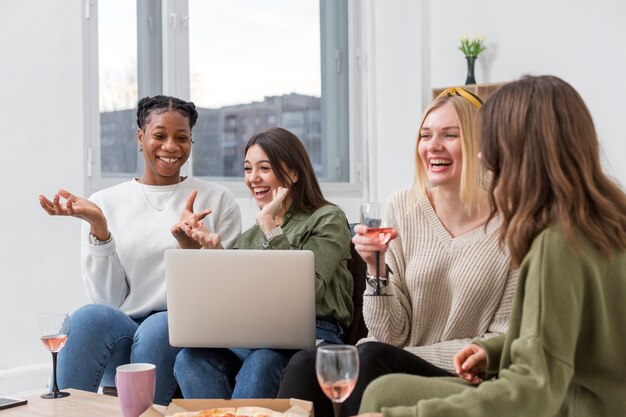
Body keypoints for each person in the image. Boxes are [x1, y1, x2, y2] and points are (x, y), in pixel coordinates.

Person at [357, 75, 626, 416]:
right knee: (385, 387)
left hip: (572, 404)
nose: (483, 155)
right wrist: (497, 351)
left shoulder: (555, 245)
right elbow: (566, 337)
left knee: (384, 395)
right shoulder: (606, 222)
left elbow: (533, 389)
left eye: (494, 142)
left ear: (526, 152)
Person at [277, 88, 519, 417]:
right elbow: (389, 333)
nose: (433, 145)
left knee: (371, 358)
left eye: (450, 135)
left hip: (461, 372)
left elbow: (503, 337)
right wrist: (376, 267)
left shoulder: (513, 223)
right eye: (425, 135)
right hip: (386, 354)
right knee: (307, 362)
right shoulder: (403, 206)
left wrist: (413, 353)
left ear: (481, 146)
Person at [38, 95, 242, 405]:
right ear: (140, 136)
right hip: (122, 335)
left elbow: (225, 295)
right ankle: (64, 412)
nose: (171, 146)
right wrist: (100, 230)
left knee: (161, 324)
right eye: (159, 135)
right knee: (88, 317)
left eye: (182, 137)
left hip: (183, 331)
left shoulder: (217, 199)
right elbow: (108, 300)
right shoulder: (103, 203)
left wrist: (195, 248)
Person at [172, 127, 354, 400]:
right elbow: (236, 298)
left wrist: (271, 227)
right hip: (255, 334)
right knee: (190, 359)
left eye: (263, 168)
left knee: (263, 360)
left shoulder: (328, 218)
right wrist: (214, 254)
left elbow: (306, 291)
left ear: (293, 173)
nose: (252, 178)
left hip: (316, 330)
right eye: (247, 169)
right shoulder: (250, 236)